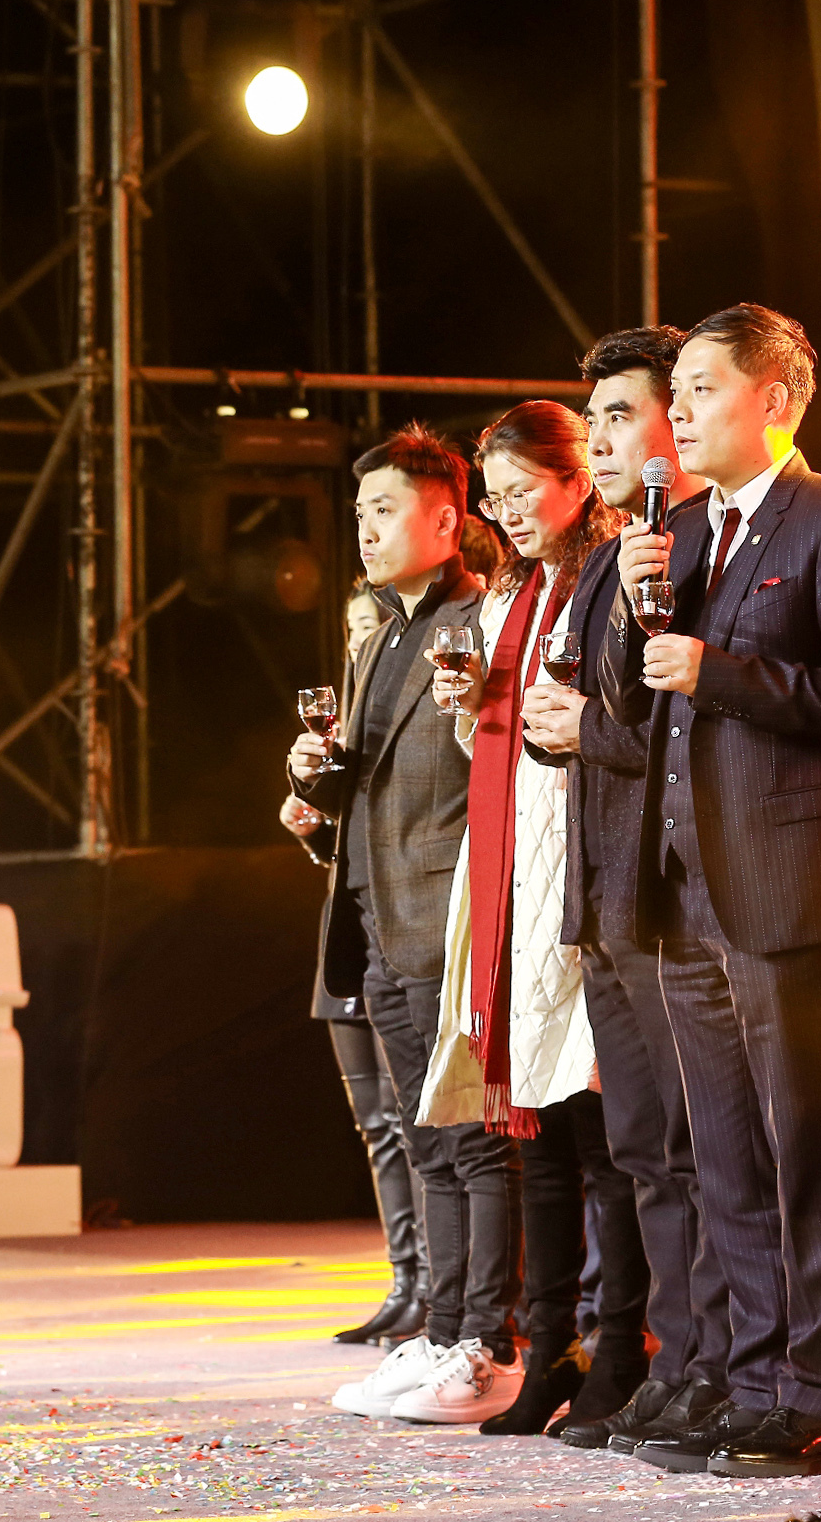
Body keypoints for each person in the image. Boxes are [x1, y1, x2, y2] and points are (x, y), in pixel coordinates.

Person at [601, 303, 821, 1479]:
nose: (677, 413)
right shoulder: (678, 530)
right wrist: (631, 608)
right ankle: (753, 1378)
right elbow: (632, 702)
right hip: (684, 886)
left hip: (785, 879)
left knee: (805, 1147)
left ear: (773, 399)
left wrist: (720, 671)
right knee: (725, 1154)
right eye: (674, 391)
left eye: (701, 389)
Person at [517, 326, 737, 1452]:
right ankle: (670, 1362)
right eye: (594, 417)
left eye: (622, 416)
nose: (600, 440)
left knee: (700, 1151)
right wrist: (556, 728)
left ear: (677, 425)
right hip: (605, 887)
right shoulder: (612, 554)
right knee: (645, 1150)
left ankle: (719, 1367)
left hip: (677, 888)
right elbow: (597, 710)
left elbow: (690, 728)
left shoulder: (708, 542)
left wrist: (585, 729)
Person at [420, 400, 646, 1431]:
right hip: (514, 865)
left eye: (523, 491)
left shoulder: (608, 574)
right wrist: (471, 707)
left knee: (600, 1132)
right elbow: (503, 747)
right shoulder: (516, 590)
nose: (507, 512)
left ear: (576, 480)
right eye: (495, 496)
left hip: (581, 867)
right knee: (539, 1138)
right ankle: (550, 1345)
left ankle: (619, 1345)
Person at [292, 428, 520, 1426]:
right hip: (376, 917)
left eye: (384, 510)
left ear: (446, 518)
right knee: (426, 1142)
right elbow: (365, 781)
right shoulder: (380, 630)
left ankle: (486, 1343)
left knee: (474, 1140)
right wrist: (312, 780)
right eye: (359, 513)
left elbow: (492, 769)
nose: (366, 529)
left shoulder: (478, 621)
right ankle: (440, 1327)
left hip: (446, 915)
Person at [297, 586, 426, 1349]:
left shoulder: (406, 704)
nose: (359, 642)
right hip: (347, 932)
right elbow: (345, 843)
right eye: (350, 630)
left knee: (415, 1123)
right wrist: (311, 823)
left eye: (370, 626)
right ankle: (403, 1282)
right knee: (376, 1125)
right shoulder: (341, 720)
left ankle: (441, 1290)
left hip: (401, 929)